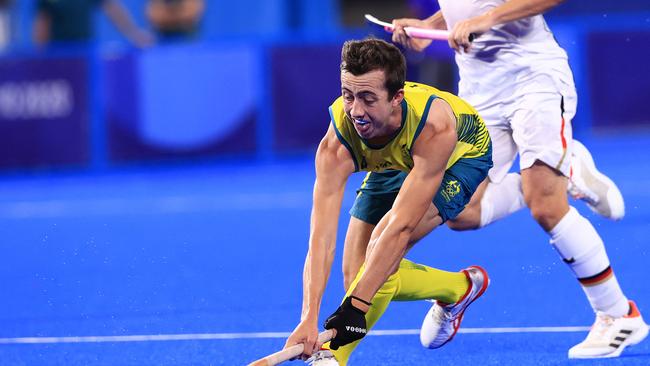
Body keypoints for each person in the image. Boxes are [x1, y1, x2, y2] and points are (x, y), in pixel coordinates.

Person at [385, 0, 647, 359]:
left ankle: (619, 315)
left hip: (533, 78)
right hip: (480, 91)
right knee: (462, 211)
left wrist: (488, 19)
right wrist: (429, 25)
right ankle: (562, 170)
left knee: (547, 208)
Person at [283, 38, 493, 365]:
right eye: (348, 95)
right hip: (397, 158)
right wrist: (308, 317)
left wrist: (356, 307)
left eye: (368, 98)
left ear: (397, 98)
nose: (355, 110)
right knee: (359, 273)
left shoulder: (434, 126)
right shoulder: (337, 142)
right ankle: (459, 288)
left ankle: (332, 357)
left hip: (456, 158)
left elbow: (400, 229)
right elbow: (321, 238)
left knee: (379, 256)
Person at [33, 0, 153, 47]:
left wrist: (134, 33)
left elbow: (112, 8)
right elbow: (43, 22)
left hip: (85, 53)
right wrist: (41, 54)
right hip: (59, 54)